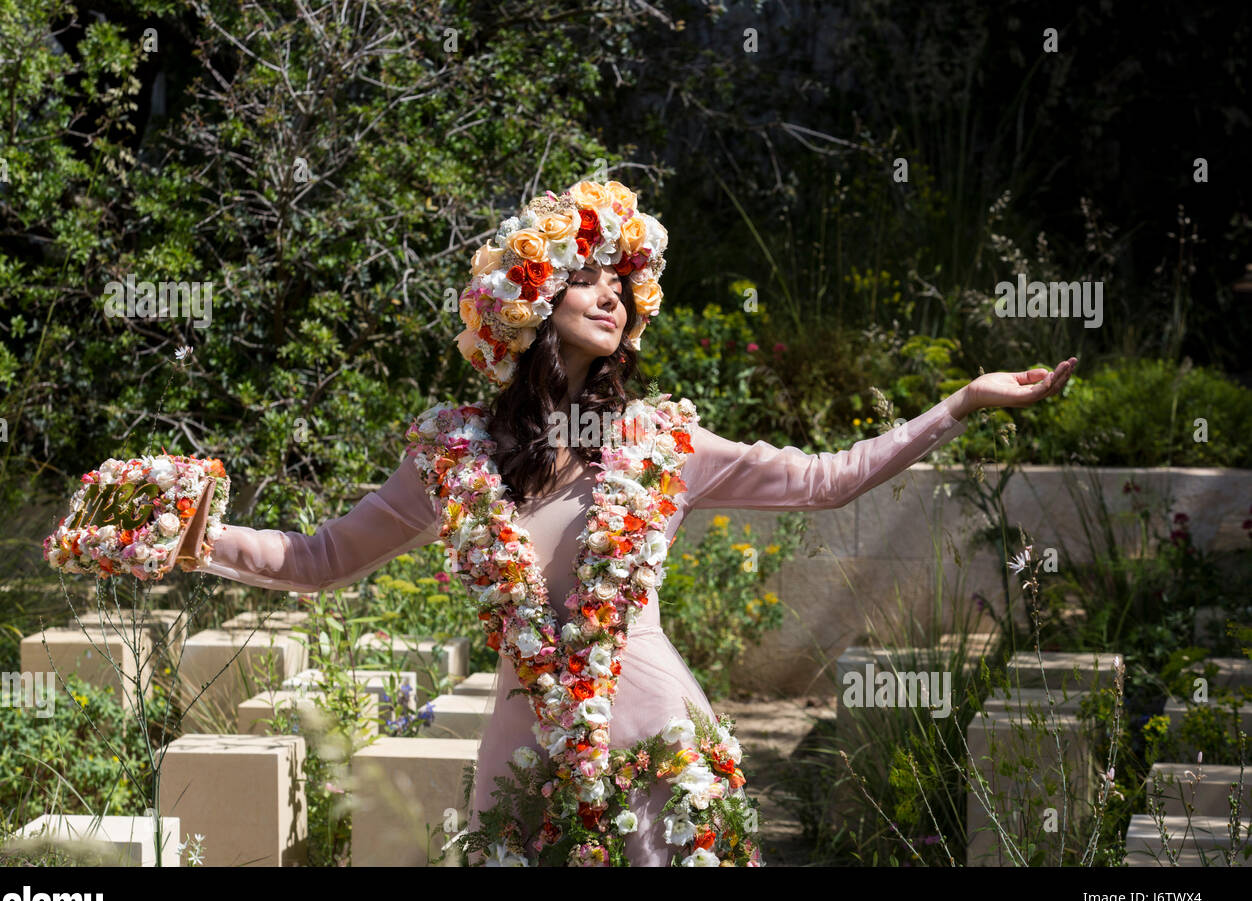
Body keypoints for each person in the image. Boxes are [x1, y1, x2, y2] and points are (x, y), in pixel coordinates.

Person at [189, 179, 1077, 866]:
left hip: (656, 735)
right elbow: (319, 558)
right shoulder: (452, 457)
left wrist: (961, 404)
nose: (613, 298)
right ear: (532, 303)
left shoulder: (662, 444)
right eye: (589, 282)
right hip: (523, 748)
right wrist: (190, 537)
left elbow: (826, 481)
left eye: (623, 287)